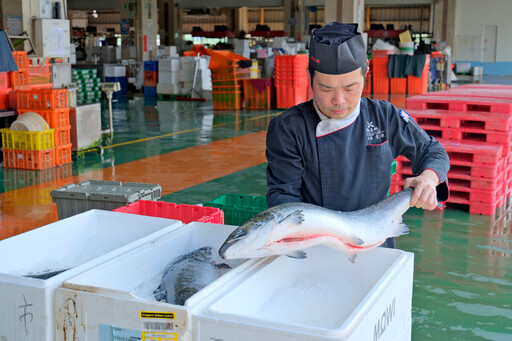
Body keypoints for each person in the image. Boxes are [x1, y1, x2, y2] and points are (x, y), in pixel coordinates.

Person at [265, 22, 449, 248]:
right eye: (325, 89)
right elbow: (284, 198)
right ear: (310, 78)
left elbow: (433, 151)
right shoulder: (288, 128)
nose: (339, 101)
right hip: (313, 246)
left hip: (375, 242)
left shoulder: (385, 116)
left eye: (350, 88)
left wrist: (428, 178)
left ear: (366, 74)